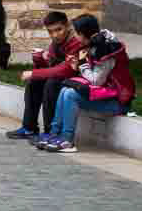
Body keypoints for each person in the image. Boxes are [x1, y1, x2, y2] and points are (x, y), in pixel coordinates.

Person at [37, 14, 136, 153]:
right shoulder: (95, 43)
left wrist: (82, 64)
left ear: (84, 34)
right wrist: (78, 64)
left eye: (76, 33)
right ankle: (54, 134)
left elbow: (97, 80)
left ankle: (67, 140)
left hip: (118, 102)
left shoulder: (106, 48)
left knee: (71, 94)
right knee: (66, 89)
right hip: (104, 94)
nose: (75, 37)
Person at [5, 11, 84, 140]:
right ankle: (29, 128)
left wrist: (33, 73)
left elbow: (66, 70)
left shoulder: (76, 42)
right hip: (62, 77)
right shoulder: (56, 43)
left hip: (76, 79)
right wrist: (40, 59)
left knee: (51, 84)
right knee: (34, 83)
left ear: (67, 26)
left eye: (59, 30)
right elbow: (52, 65)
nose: (55, 35)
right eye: (50, 31)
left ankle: (50, 132)